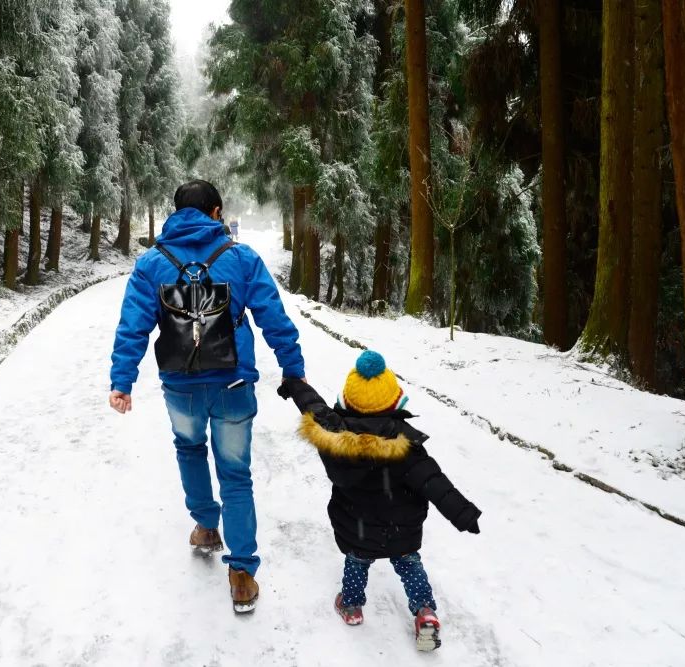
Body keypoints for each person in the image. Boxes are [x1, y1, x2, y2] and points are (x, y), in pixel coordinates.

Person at [109, 179, 306, 613]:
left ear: (175, 212)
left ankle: (204, 527)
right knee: (236, 474)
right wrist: (293, 368)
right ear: (216, 212)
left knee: (190, 449)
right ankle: (241, 574)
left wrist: (121, 381)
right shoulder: (240, 258)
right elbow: (274, 317)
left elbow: (133, 325)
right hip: (234, 383)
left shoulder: (151, 263)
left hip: (181, 386)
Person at [277, 351, 482, 651]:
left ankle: (351, 606)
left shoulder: (336, 437)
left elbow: (314, 406)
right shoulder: (407, 450)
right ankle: (424, 610)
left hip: (358, 528)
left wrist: (294, 384)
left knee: (357, 563)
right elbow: (436, 484)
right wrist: (464, 514)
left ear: (346, 402)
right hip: (402, 532)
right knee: (410, 565)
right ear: (396, 403)